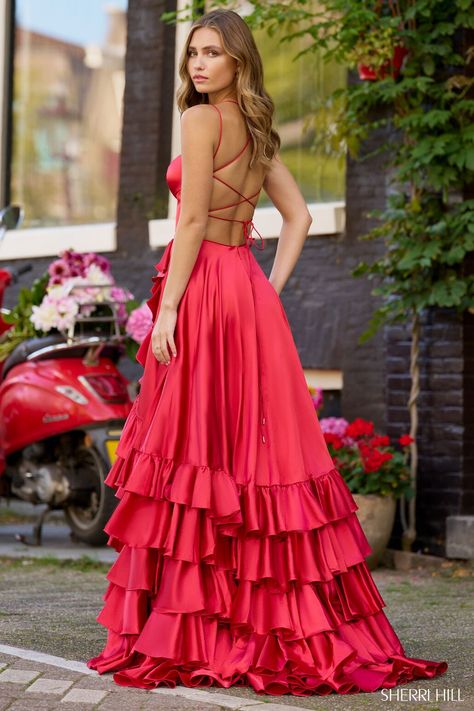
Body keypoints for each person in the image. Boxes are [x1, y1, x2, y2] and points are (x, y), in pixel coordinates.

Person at [87, 8, 448, 696]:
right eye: (193, 52)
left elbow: (191, 219)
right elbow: (300, 218)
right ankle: (266, 617)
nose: (197, 64)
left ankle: (192, 623)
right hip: (246, 294)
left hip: (200, 291)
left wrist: (166, 308)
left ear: (239, 62)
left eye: (212, 53)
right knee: (253, 455)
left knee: (197, 450)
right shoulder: (256, 131)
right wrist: (267, 291)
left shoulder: (199, 123)